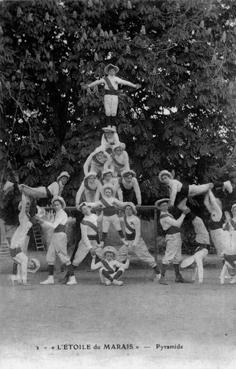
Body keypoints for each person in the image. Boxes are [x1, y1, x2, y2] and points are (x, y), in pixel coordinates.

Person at [37, 196, 75, 285]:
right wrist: (41, 221)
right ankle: (50, 278)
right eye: (54, 205)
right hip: (55, 235)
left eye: (57, 204)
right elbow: (50, 226)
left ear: (61, 205)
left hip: (60, 236)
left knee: (63, 257)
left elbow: (54, 226)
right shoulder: (57, 213)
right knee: (50, 256)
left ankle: (73, 278)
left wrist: (42, 221)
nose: (55, 206)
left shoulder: (62, 213)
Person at [119, 203, 161, 281]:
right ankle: (116, 275)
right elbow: (115, 218)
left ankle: (159, 274)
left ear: (133, 210)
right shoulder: (123, 218)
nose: (128, 211)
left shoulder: (136, 219)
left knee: (146, 257)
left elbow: (138, 234)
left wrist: (134, 245)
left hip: (137, 242)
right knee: (120, 255)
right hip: (128, 242)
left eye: (130, 209)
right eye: (126, 209)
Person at [156, 198, 190, 284]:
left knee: (177, 258)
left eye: (166, 204)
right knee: (168, 256)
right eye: (162, 205)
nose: (165, 206)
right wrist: (183, 214)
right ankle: (162, 277)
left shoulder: (168, 214)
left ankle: (178, 277)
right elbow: (177, 224)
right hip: (172, 237)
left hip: (176, 236)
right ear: (159, 208)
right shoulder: (164, 216)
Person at [68, 202, 104, 285]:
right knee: (76, 261)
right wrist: (90, 248)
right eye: (83, 209)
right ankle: (71, 278)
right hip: (86, 243)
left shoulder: (95, 216)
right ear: (82, 212)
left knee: (104, 257)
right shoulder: (83, 222)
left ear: (90, 208)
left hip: (96, 241)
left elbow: (100, 221)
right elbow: (84, 237)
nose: (85, 210)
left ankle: (110, 275)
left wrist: (103, 211)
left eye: (86, 208)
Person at [9, 194, 32, 285]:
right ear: (21, 207)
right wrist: (23, 193)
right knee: (24, 260)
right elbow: (23, 206)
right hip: (15, 245)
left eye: (28, 206)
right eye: (24, 206)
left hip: (18, 244)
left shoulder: (27, 216)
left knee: (21, 262)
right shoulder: (22, 216)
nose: (26, 207)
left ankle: (19, 279)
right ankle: (24, 281)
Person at [180, 212, 210, 284]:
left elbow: (200, 267)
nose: (191, 266)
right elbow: (196, 267)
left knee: (199, 224)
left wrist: (200, 281)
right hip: (203, 244)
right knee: (198, 225)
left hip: (203, 242)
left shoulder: (197, 257)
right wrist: (193, 279)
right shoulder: (196, 256)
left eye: (190, 266)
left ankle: (189, 213)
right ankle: (190, 214)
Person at [5, 171, 70, 202]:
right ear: (60, 179)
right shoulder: (56, 184)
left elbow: (58, 197)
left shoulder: (60, 187)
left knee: (28, 193)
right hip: (43, 192)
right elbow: (56, 197)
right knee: (27, 190)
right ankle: (11, 184)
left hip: (43, 194)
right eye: (64, 178)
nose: (65, 180)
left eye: (66, 179)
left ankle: (11, 186)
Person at [204, 190, 231, 256]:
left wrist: (210, 190)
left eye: (216, 202)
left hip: (219, 234)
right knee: (219, 251)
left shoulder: (219, 212)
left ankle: (228, 264)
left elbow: (213, 202)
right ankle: (226, 264)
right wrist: (207, 192)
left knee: (223, 250)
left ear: (218, 204)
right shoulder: (212, 211)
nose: (212, 202)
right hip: (213, 233)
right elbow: (206, 202)